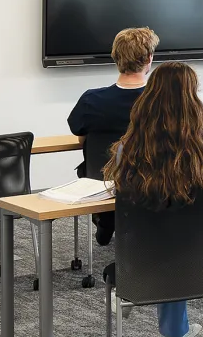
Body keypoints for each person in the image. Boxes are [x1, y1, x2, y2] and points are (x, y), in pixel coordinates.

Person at [102, 61, 203, 337]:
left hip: (144, 260)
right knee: (185, 230)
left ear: (150, 98)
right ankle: (174, 334)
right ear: (194, 96)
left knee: (163, 233)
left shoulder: (130, 149)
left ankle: (135, 294)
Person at [67, 26, 158, 245]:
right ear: (149, 58)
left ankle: (106, 219)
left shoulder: (92, 100)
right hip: (152, 182)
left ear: (115, 57)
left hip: (103, 181)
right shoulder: (160, 101)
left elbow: (80, 134)